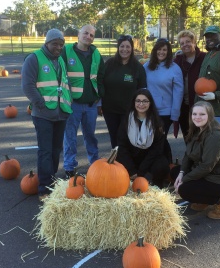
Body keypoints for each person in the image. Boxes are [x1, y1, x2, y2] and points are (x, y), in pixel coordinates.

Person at [21, 29, 72, 200]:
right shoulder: (34, 58)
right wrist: (40, 105)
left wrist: (68, 102)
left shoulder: (61, 60)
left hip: (61, 113)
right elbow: (27, 85)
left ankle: (51, 180)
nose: (58, 47)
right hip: (43, 114)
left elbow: (65, 83)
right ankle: (43, 188)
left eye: (61, 44)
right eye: (55, 44)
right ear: (47, 43)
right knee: (45, 151)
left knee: (56, 150)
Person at [173, 101, 220, 219]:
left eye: (202, 114)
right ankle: (203, 200)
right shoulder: (197, 129)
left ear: (210, 116)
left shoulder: (215, 136)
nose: (197, 117)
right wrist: (181, 173)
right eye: (194, 114)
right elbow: (188, 154)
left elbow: (206, 166)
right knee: (175, 172)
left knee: (184, 190)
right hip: (207, 174)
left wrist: (184, 180)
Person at [62, 25, 105, 178]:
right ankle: (69, 166)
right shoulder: (66, 51)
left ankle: (94, 163)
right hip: (72, 103)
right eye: (85, 33)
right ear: (78, 34)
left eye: (92, 35)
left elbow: (100, 77)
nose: (88, 36)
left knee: (90, 136)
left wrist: (99, 100)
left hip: (91, 104)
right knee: (70, 136)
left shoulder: (96, 53)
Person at [116, 88, 170, 188]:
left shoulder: (157, 122)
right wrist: (132, 170)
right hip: (131, 158)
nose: (141, 104)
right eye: (138, 101)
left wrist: (141, 171)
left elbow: (157, 149)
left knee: (161, 164)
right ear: (134, 102)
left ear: (150, 103)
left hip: (149, 159)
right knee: (118, 161)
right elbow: (122, 146)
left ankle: (156, 185)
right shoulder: (126, 121)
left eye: (145, 101)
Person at [102, 34, 147, 148]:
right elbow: (101, 83)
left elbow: (142, 91)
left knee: (126, 138)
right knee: (114, 137)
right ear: (118, 48)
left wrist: (141, 109)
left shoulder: (138, 68)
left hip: (129, 111)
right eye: (122, 46)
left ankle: (126, 163)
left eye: (128, 47)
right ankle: (115, 162)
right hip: (110, 110)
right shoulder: (109, 64)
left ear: (132, 49)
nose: (124, 49)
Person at [144, 38, 184, 162]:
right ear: (155, 50)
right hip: (149, 110)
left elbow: (178, 92)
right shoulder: (147, 66)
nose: (161, 52)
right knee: (152, 139)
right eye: (159, 49)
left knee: (159, 138)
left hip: (165, 112)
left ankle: (165, 165)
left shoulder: (174, 68)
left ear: (168, 51)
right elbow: (142, 87)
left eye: (164, 50)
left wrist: (175, 114)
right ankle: (163, 164)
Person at [173, 30, 206, 139]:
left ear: (194, 43)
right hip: (183, 105)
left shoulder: (204, 58)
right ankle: (191, 155)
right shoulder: (178, 60)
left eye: (188, 42)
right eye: (182, 43)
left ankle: (201, 156)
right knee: (187, 135)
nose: (185, 45)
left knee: (201, 135)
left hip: (199, 104)